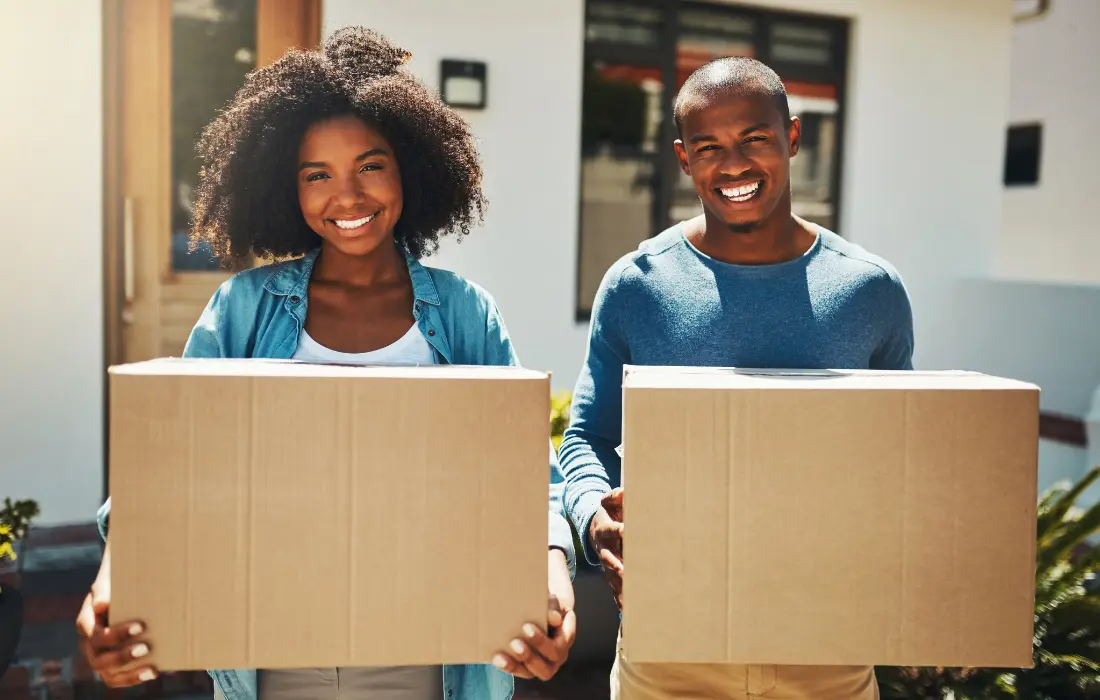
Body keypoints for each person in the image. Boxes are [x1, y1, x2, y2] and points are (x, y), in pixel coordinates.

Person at [76, 27, 576, 700]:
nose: (348, 196)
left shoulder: (464, 313)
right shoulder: (243, 310)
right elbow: (165, 469)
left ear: (410, 169)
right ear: (288, 190)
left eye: (370, 165)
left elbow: (530, 481)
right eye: (318, 175)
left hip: (426, 651)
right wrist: (114, 585)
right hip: (274, 648)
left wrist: (552, 573)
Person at [559, 57, 914, 700]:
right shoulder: (637, 286)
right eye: (709, 147)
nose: (734, 166)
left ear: (793, 139)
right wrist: (593, 519)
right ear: (683, 158)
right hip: (669, 652)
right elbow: (586, 438)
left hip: (828, 649)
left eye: (755, 139)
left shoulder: (870, 292)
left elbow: (904, 456)